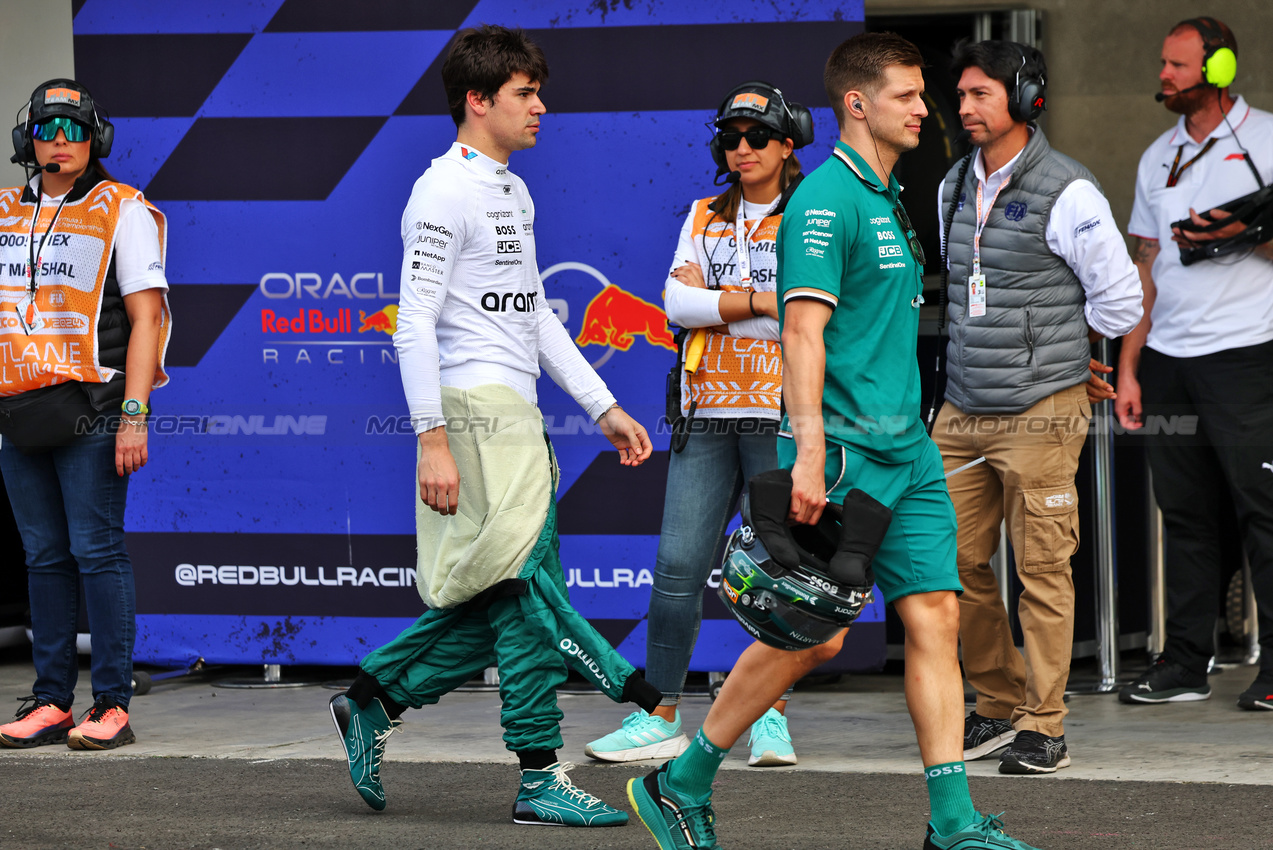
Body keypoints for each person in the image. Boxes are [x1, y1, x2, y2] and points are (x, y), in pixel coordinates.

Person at [627, 32, 1042, 850]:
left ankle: (952, 825)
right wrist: (808, 452)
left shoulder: (887, 194)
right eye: (908, 95)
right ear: (858, 104)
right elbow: (802, 333)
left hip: (909, 456)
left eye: (924, 96)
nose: (928, 109)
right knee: (808, 635)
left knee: (934, 621)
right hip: (845, 453)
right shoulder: (825, 200)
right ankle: (680, 783)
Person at [326, 25, 663, 826]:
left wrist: (600, 404)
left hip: (515, 418)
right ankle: (543, 771)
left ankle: (375, 697)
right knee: (525, 596)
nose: (540, 107)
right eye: (524, 94)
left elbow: (536, 317)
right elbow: (412, 325)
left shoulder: (512, 189)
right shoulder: (440, 192)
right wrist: (431, 439)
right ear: (477, 102)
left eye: (536, 91)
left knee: (503, 593)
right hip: (476, 417)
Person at [584, 80, 812, 768]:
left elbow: (807, 316)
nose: (741, 149)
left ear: (786, 144)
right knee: (677, 568)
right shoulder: (701, 212)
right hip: (705, 412)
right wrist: (757, 300)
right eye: (730, 139)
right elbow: (677, 304)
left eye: (756, 137)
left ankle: (771, 716)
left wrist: (723, 302)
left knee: (777, 572)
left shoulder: (811, 213)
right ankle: (658, 713)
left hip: (778, 412)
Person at [931, 41, 1143, 774]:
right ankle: (995, 702)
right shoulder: (952, 182)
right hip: (959, 407)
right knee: (950, 560)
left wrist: (1061, 357)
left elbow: (1119, 302)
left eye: (980, 94)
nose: (963, 109)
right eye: (959, 95)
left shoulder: (1070, 189)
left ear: (1023, 98)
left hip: (1040, 411)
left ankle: (1042, 722)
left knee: (1041, 566)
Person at [0, 80, 171, 750]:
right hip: (19, 411)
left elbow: (147, 316)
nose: (60, 141)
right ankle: (51, 701)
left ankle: (111, 703)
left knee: (96, 553)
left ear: (94, 139)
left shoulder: (118, 208)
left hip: (94, 409)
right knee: (42, 557)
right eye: (47, 129)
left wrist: (135, 412)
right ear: (28, 141)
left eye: (73, 129)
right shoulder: (6, 214)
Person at [1116, 16, 1273, 711]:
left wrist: (1244, 231)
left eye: (1177, 66)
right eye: (1163, 64)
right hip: (1166, 360)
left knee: (1262, 511)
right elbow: (1143, 270)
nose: (1164, 76)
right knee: (1182, 515)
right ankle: (1183, 661)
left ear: (1216, 71)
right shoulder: (1156, 156)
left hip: (1247, 354)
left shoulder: (1266, 138)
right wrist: (1128, 367)